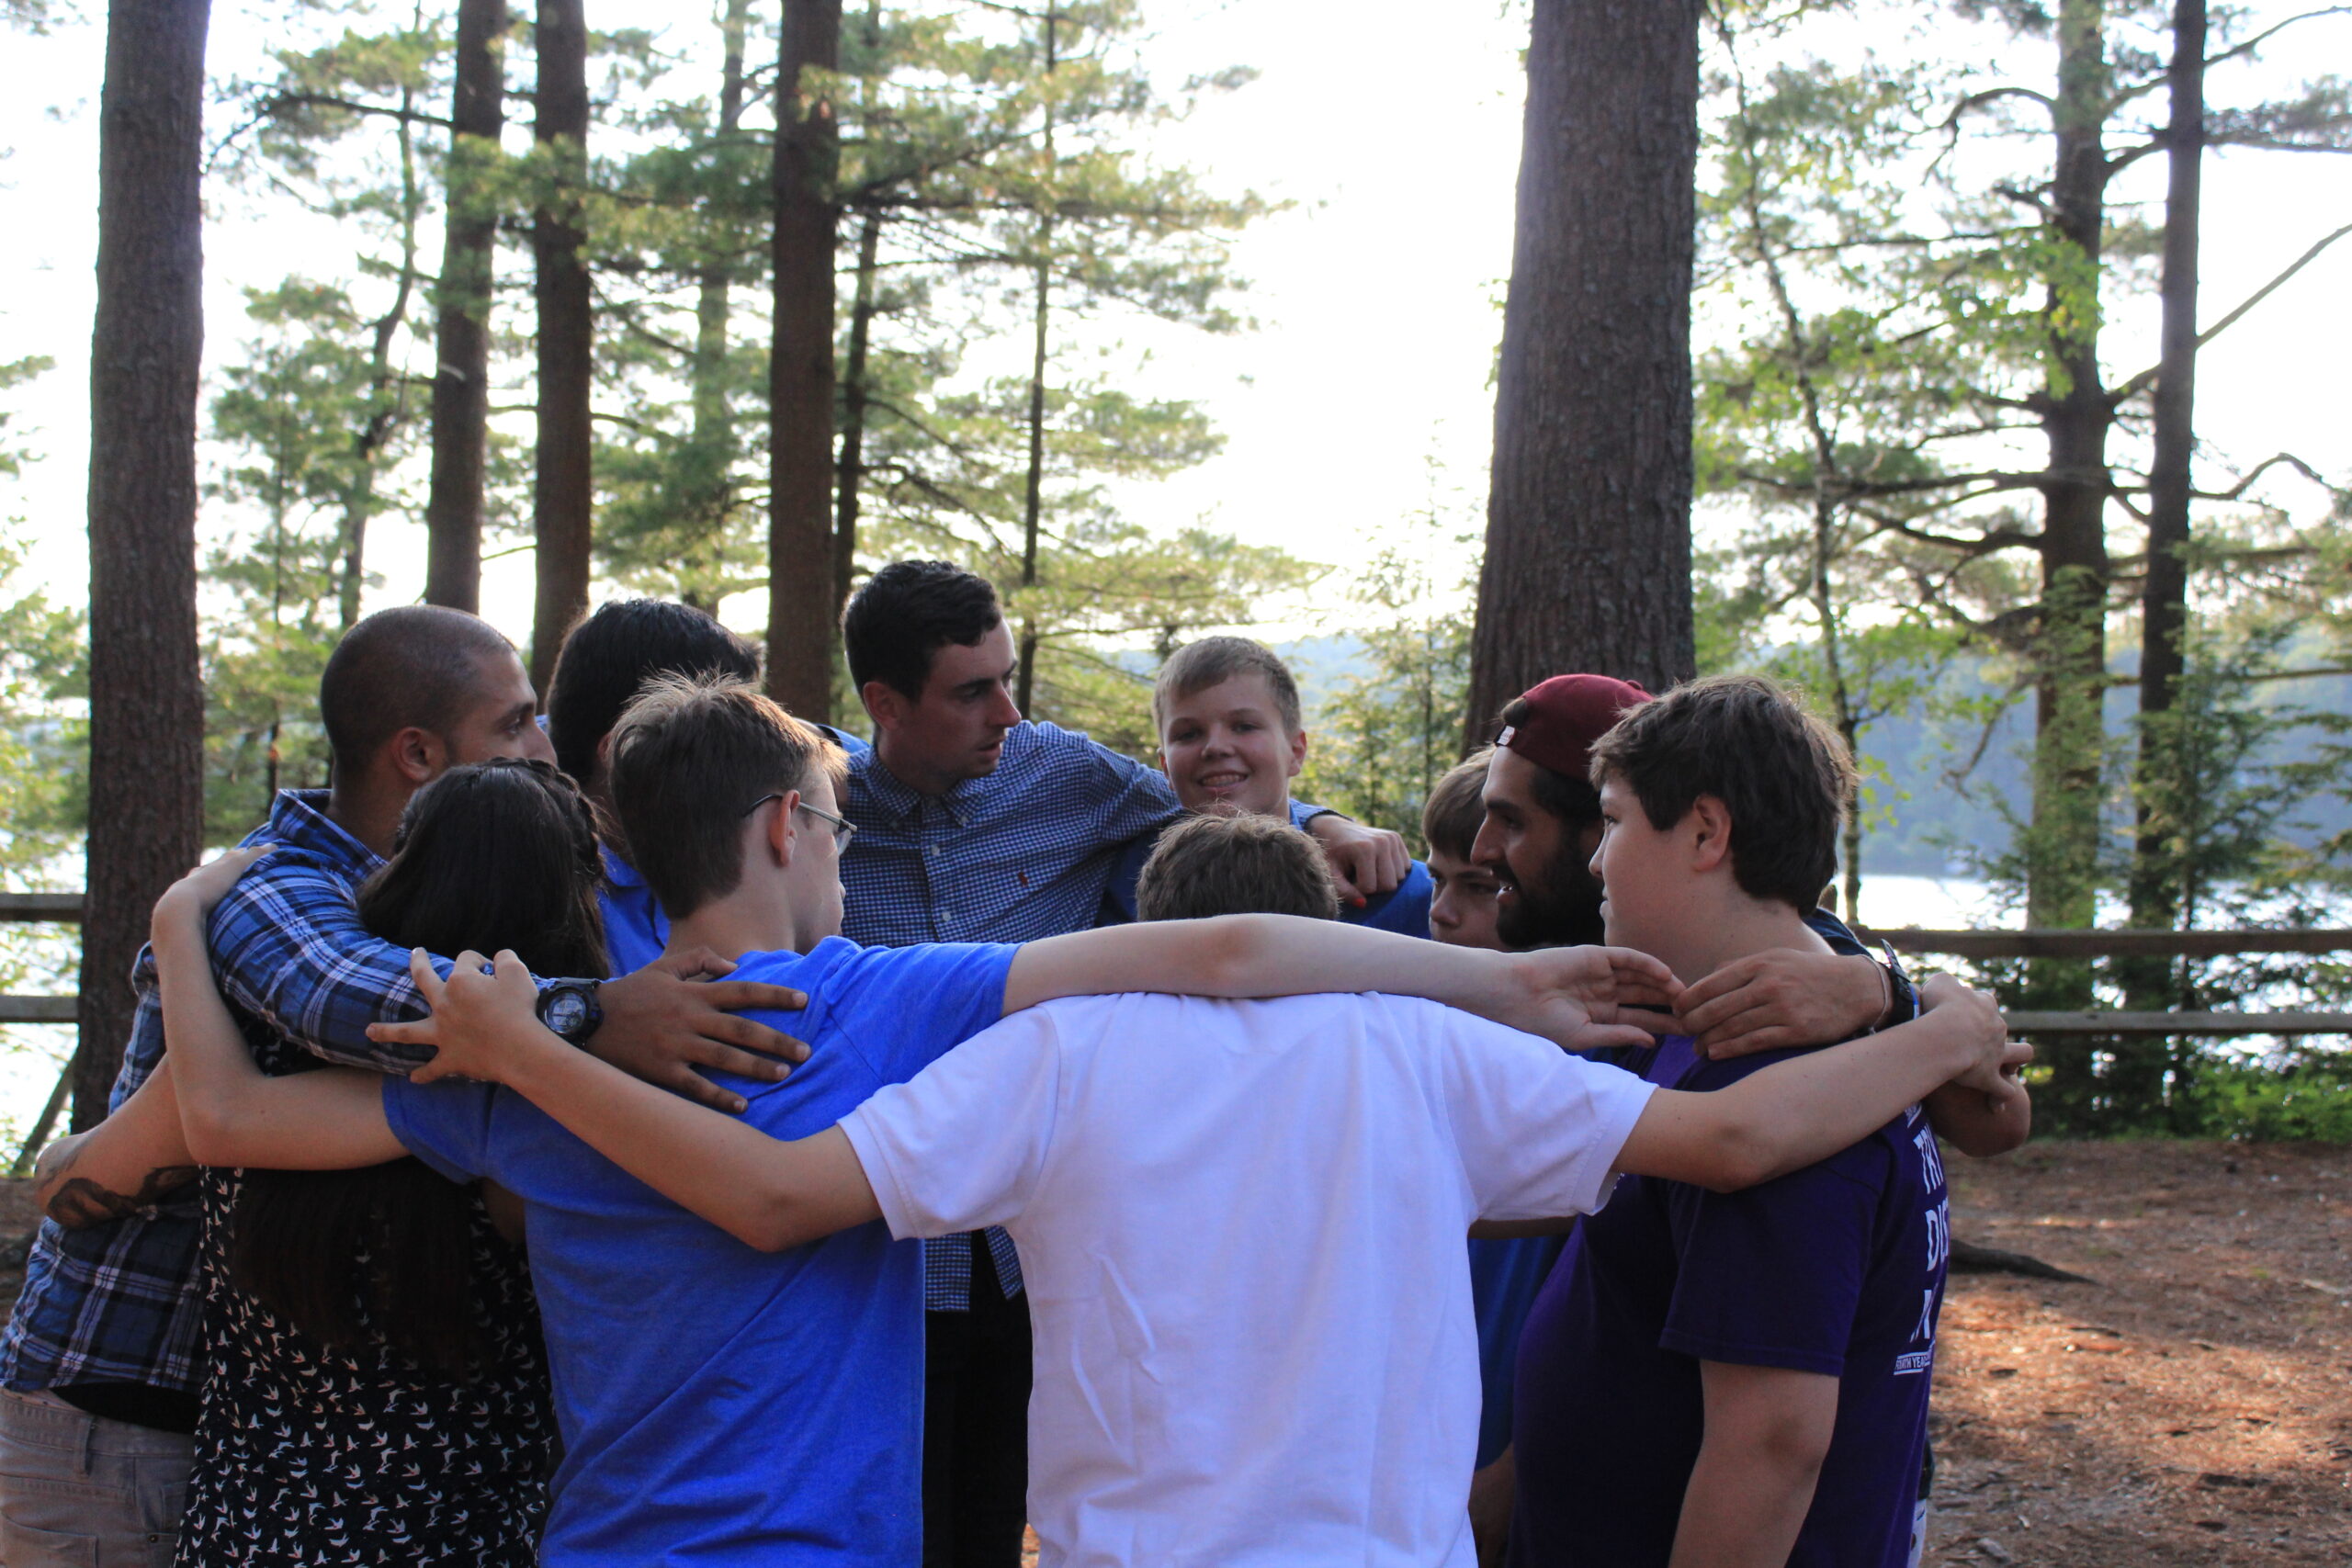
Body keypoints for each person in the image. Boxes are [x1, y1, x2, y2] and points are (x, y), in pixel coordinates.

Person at [142, 674, 1683, 1567]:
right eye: (835, 822)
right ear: (780, 828)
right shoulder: (885, 1004)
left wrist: (177, 918)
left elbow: (220, 1117)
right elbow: (1222, 951)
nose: (842, 851)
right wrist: (1505, 980)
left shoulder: (544, 1048)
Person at [359, 806, 2022, 1568]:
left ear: (1159, 914)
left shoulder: (1062, 1056)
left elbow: (784, 1200)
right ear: (1316, 919)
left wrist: (527, 1051)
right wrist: (1931, 1019)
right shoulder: (1424, 1056)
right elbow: (1737, 1144)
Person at [0, 606, 799, 1568]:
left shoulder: (442, 997)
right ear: (416, 754)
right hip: (112, 1410)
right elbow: (352, 1001)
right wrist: (600, 1015)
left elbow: (173, 1133)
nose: (543, 748)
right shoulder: (278, 888)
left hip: (232, 1467)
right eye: (513, 724)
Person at [836, 560, 1409, 1568]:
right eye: (972, 691)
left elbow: (1217, 802)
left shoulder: (1060, 774)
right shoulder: (819, 816)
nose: (1007, 711)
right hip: (874, 1257)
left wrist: (1325, 821)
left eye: (1008, 678)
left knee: (1007, 1511)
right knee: (879, 1520)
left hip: (1039, 1248)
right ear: (885, 703)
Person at [1509, 675, 2035, 1568]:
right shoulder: (1754, 1020)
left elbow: (1771, 1447)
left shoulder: (1796, 1099)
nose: (1597, 860)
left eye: (1617, 821)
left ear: (1707, 833)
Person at [34, 760, 611, 1564]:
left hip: (245, 1532)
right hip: (459, 1535)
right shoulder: (553, 1108)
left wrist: (178, 922)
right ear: (579, 896)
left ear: (399, 862)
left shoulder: (256, 1056)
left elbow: (109, 1163)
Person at [544, 597, 872, 978]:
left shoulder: (712, 834)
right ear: (622, 749)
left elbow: (866, 764)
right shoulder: (548, 889)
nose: (741, 745)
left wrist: (811, 755)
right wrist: (598, 1011)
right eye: (720, 724)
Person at [1132, 634, 1434, 934]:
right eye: (1187, 734)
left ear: (1295, 751)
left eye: (1244, 726)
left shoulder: (1406, 896)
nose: (1216, 747)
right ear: (1165, 769)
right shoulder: (1129, 891)